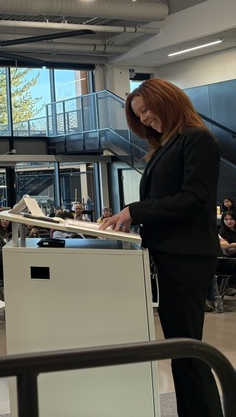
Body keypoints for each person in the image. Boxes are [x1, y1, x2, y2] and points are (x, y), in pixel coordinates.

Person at [98, 78, 222, 417]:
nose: (144, 120)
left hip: (186, 257)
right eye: (139, 116)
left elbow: (193, 199)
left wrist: (136, 211)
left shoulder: (196, 139)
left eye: (146, 111)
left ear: (167, 101)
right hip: (170, 255)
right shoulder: (167, 144)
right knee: (181, 351)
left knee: (188, 351)